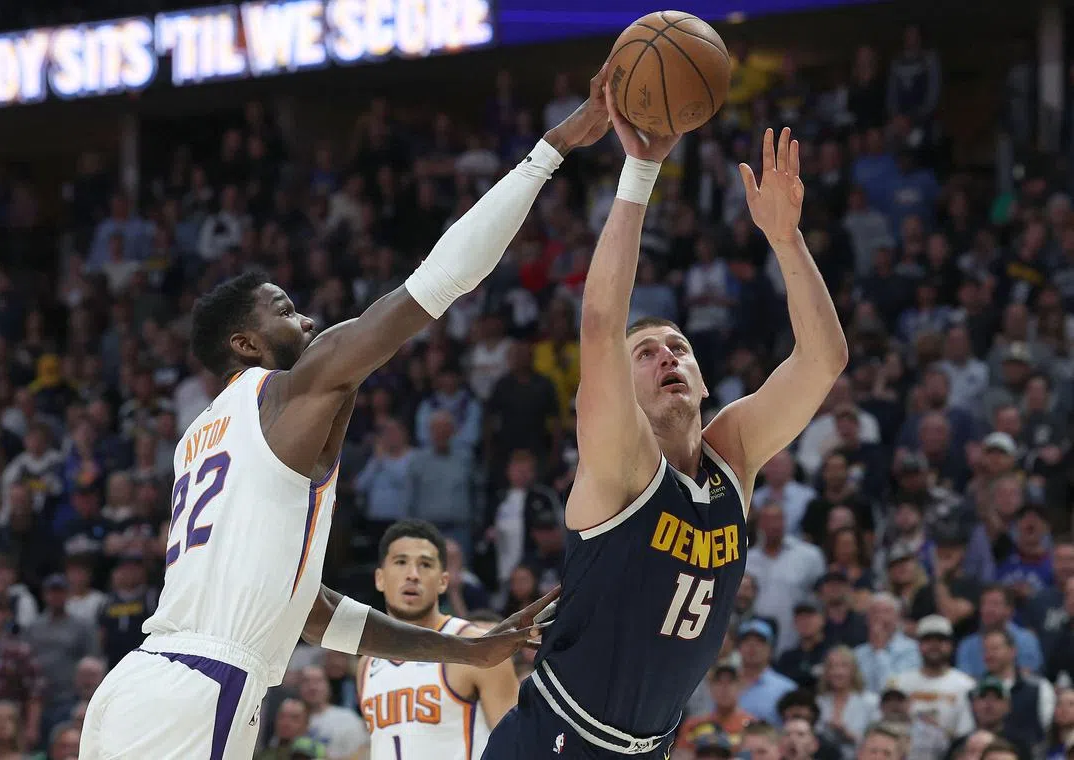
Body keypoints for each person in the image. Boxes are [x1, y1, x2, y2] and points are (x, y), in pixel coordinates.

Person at [78, 64, 613, 759]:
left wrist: (465, 651)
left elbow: (310, 611)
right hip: (202, 686)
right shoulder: (289, 389)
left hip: (140, 685)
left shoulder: (198, 435)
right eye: (282, 309)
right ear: (244, 343)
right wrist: (551, 151)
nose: (303, 317)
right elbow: (442, 279)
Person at [481, 97, 847, 757]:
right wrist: (641, 171)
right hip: (555, 740)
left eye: (677, 347)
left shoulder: (732, 454)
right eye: (645, 354)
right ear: (620, 388)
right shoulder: (622, 463)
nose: (666, 358)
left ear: (703, 379)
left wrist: (787, 239)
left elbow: (824, 361)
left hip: (648, 747)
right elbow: (597, 324)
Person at [358, 521, 521, 759]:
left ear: (444, 581)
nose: (412, 575)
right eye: (401, 562)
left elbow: (517, 747)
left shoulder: (478, 648)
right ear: (380, 579)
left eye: (425, 565)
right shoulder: (366, 664)